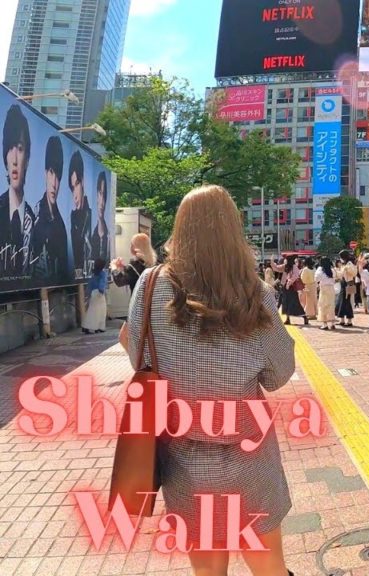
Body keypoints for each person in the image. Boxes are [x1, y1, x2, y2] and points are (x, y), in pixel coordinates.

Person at [121, 185, 296, 576]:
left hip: (185, 462)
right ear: (233, 231)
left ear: (180, 231)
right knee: (269, 567)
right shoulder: (257, 294)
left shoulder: (149, 286)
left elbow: (140, 359)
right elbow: (279, 375)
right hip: (251, 458)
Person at [0, 104, 35, 277]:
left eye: (20, 149)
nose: (14, 159)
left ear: (27, 158)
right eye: (10, 149)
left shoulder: (34, 221)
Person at [31, 136, 70, 280]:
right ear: (45, 173)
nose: (54, 183)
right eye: (51, 173)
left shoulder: (61, 225)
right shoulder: (35, 215)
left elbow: (64, 271)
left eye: (58, 177)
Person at [68, 151, 91, 276]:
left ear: (83, 182)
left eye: (76, 184)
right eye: (72, 188)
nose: (74, 195)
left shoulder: (91, 216)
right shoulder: (72, 220)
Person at [272, 256, 308, 326]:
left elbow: (295, 276)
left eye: (286, 259)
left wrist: (289, 283)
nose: (285, 260)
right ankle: (288, 319)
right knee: (286, 303)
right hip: (285, 287)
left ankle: (304, 317)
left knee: (295, 303)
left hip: (291, 288)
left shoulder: (294, 267)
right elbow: (276, 268)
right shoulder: (285, 266)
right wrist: (272, 261)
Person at [81, 259, 108, 334]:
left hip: (93, 292)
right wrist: (101, 290)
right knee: (102, 310)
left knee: (92, 310)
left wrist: (88, 293)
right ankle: (100, 327)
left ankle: (87, 326)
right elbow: (102, 282)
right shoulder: (103, 273)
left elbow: (90, 283)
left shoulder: (94, 273)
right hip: (99, 292)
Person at [89, 172, 110, 264]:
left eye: (104, 196)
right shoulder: (87, 233)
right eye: (100, 193)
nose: (102, 202)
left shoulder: (108, 236)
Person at [335, 252, 358, 327]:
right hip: (343, 283)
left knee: (347, 302)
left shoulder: (349, 264)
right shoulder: (344, 264)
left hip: (349, 284)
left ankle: (349, 320)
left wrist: (347, 269)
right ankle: (342, 319)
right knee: (341, 301)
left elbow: (354, 273)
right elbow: (341, 274)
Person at [315, 257, 337, 331]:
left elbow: (316, 278)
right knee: (331, 305)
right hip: (331, 289)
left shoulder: (320, 270)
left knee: (323, 306)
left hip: (324, 289)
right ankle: (333, 323)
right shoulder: (332, 270)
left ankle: (325, 324)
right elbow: (334, 279)